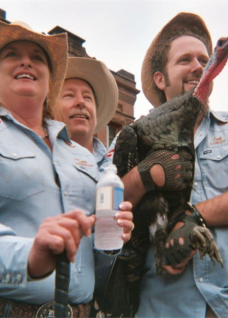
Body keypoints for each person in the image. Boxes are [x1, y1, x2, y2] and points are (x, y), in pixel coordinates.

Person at [108, 12, 228, 318]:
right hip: (161, 307)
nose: (197, 66)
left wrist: (191, 219)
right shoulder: (132, 137)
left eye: (203, 59)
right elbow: (106, 208)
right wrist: (145, 176)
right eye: (185, 60)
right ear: (160, 79)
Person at [0, 20, 133, 318]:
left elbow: (95, 259)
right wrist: (29, 257)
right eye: (12, 54)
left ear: (49, 81)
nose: (26, 61)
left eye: (37, 57)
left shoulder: (81, 157)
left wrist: (111, 238)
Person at [54, 57, 118, 169]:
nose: (81, 102)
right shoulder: (38, 158)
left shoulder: (118, 166)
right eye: (69, 95)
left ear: (96, 114)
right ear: (50, 110)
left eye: (87, 97)